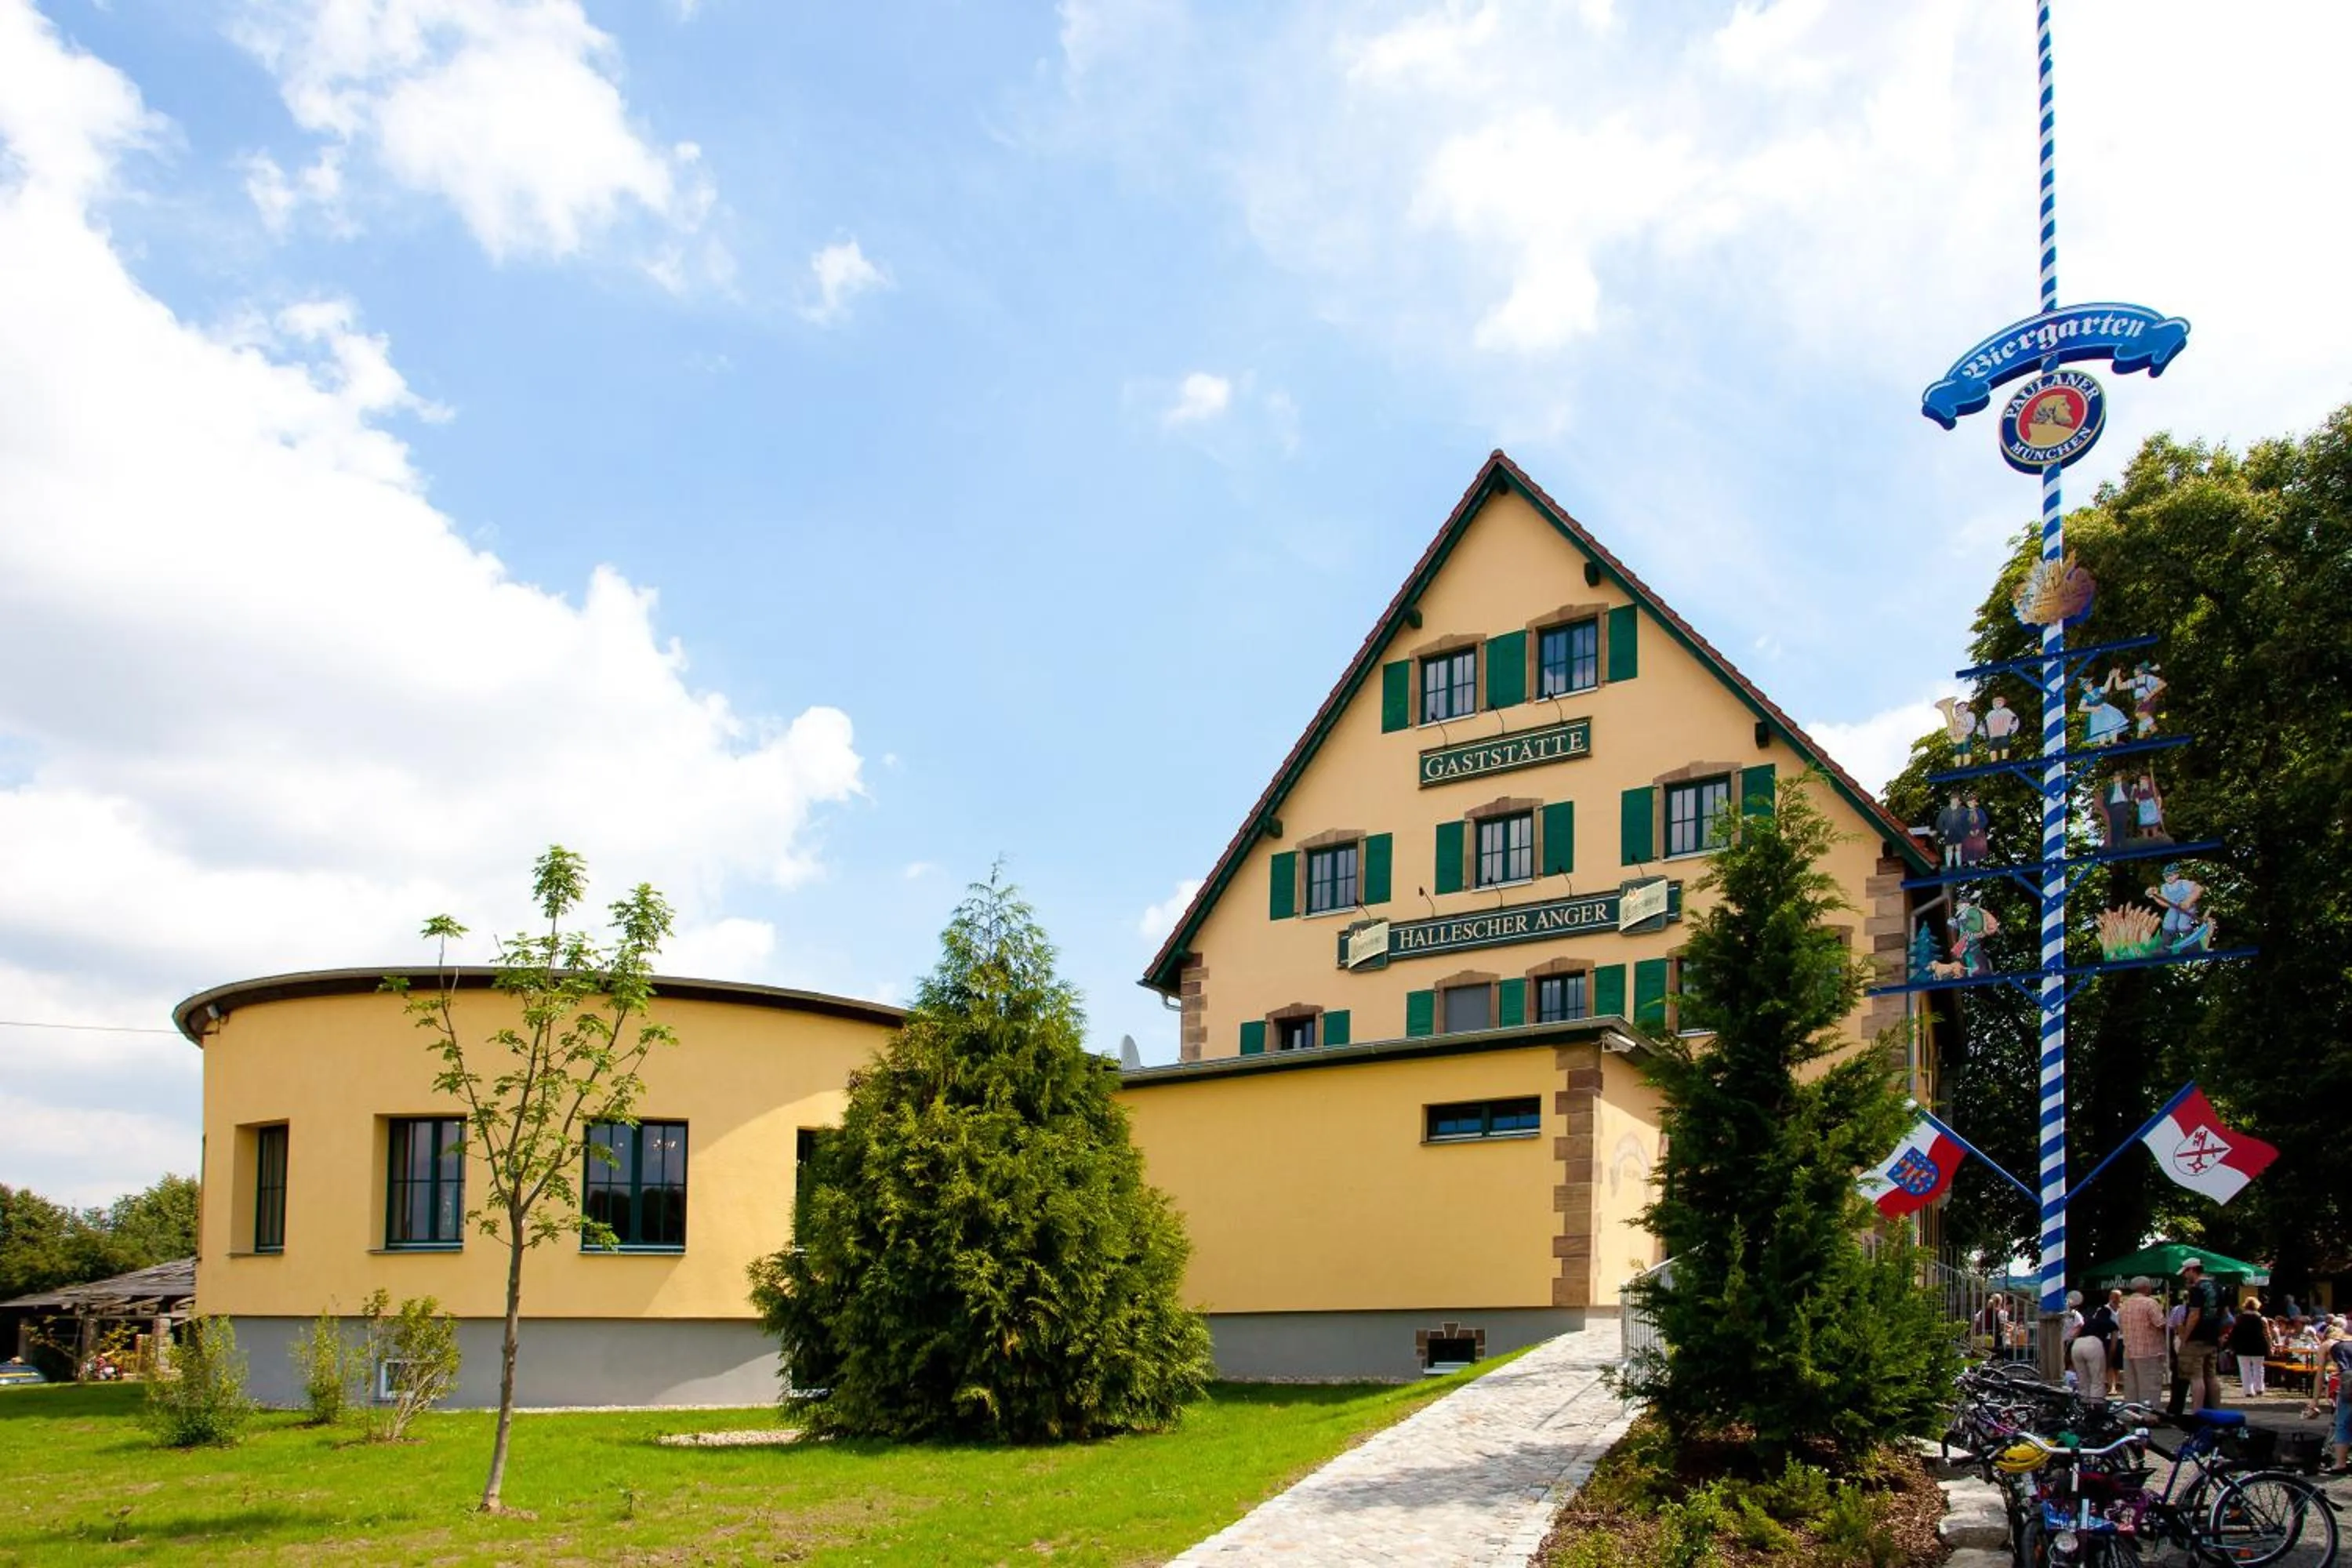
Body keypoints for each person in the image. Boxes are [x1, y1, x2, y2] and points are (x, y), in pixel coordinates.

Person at [2177, 1258, 2226, 1413]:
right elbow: (2225, 1313)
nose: (2185, 1276)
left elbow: (2194, 1315)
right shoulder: (2218, 1287)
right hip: (2213, 1336)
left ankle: (2198, 1413)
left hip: (2196, 1337)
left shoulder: (2197, 1289)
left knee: (2196, 1376)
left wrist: (2185, 1337)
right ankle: (2215, 1411)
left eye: (2185, 1272)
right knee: (2211, 1375)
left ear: (2192, 1270)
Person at [2306, 1320, 2352, 1475]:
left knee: (2343, 1423)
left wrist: (2314, 1401)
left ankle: (2340, 1464)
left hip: (2350, 1382)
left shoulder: (2327, 1344)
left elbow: (2320, 1375)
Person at [2119, 1276, 2169, 1406]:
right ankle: (2148, 1415)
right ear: (2145, 1287)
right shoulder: (2150, 1303)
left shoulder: (2124, 1305)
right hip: (2149, 1351)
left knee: (2131, 1387)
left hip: (2129, 1351)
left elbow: (2121, 1327)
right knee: (2150, 1387)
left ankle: (2131, 1413)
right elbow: (2160, 1324)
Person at [2067, 1289, 2107, 1397]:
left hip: (2077, 1344)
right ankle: (2096, 1403)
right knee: (2097, 1379)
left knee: (2082, 1379)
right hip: (2093, 1343)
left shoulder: (2083, 1315)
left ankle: (2083, 1401)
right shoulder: (2105, 1316)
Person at [2232, 1295, 2274, 1398]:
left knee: (2244, 1369)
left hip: (2242, 1347)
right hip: (2258, 1346)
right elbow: (2267, 1334)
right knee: (2259, 1368)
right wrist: (2270, 1346)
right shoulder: (2262, 1319)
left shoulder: (2239, 1319)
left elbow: (2234, 1333)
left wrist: (2233, 1346)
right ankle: (2259, 1388)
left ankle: (2248, 1391)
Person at [2089, 1288, 2124, 1396]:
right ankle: (2111, 1386)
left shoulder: (2123, 1309)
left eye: (2118, 1297)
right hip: (2107, 1339)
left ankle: (2114, 1384)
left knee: (2117, 1364)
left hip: (2120, 1338)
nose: (2116, 1299)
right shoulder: (2103, 1310)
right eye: (2114, 1296)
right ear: (2110, 1297)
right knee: (2109, 1362)